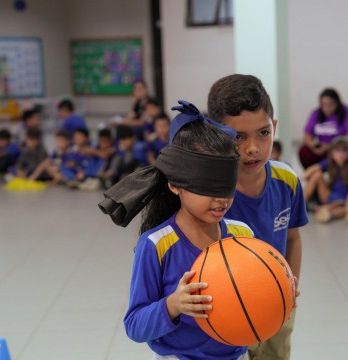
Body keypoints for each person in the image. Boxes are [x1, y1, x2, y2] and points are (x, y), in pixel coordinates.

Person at [98, 101, 252, 360]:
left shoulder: (243, 235)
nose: (221, 200)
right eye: (208, 188)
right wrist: (173, 305)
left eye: (227, 188)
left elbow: (253, 301)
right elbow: (134, 325)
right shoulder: (156, 244)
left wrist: (277, 290)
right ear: (175, 185)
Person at [208, 74, 308, 360]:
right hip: (228, 308)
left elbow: (293, 238)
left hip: (276, 304)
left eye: (263, 133)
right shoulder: (209, 193)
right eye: (238, 136)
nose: (252, 148)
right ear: (217, 133)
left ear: (274, 128)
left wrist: (290, 286)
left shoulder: (287, 179)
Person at [298, 88, 348, 169]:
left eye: (330, 105)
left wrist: (329, 146)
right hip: (321, 149)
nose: (327, 108)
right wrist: (313, 145)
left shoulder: (347, 112)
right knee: (304, 151)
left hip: (339, 148)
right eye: (324, 105)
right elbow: (307, 135)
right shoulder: (316, 113)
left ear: (337, 103)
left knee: (340, 153)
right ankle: (313, 175)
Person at [310, 137, 348, 223]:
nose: (340, 155)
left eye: (344, 151)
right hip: (329, 196)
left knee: (347, 209)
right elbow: (312, 169)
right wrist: (298, 179)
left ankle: (328, 213)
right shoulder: (329, 163)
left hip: (344, 200)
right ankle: (297, 203)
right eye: (337, 151)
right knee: (317, 174)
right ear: (331, 153)